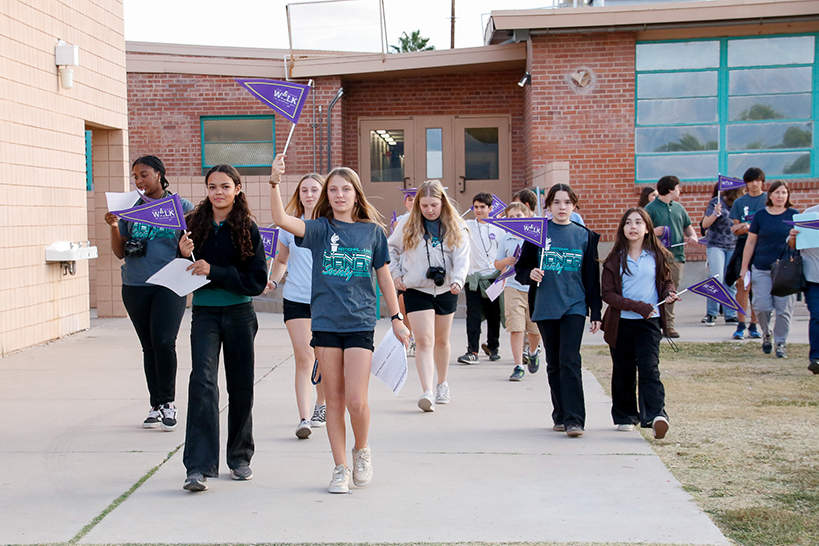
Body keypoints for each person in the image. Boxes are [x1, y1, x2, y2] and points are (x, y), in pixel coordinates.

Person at [269, 155, 410, 494]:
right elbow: (280, 219)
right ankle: (339, 467)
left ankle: (361, 450)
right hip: (326, 324)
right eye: (333, 189)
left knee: (356, 401)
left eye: (346, 189)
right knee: (333, 399)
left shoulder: (373, 232)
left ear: (356, 194)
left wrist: (397, 318)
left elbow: (385, 278)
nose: (339, 194)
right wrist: (274, 183)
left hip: (360, 322)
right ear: (326, 196)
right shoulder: (319, 229)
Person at [178, 165, 268, 492]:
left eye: (225, 186)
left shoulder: (248, 228)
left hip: (240, 313)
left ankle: (240, 457)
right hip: (204, 314)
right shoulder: (192, 226)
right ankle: (198, 467)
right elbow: (182, 272)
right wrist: (182, 253)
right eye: (212, 186)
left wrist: (214, 270)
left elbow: (256, 281)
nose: (218, 192)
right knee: (202, 383)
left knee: (241, 386)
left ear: (238, 189)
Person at [104, 155, 193, 431]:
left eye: (144, 174)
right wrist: (112, 227)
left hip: (169, 284)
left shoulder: (180, 206)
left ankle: (168, 403)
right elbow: (120, 252)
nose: (139, 180)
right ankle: (155, 405)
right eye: (135, 176)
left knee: (164, 341)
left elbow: (190, 245)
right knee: (149, 346)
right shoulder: (128, 207)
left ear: (159, 174)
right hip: (135, 285)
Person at [515, 184, 601, 437]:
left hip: (574, 305)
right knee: (554, 363)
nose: (562, 207)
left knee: (570, 360)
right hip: (545, 305)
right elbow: (520, 269)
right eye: (556, 202)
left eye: (566, 202)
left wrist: (595, 312)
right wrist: (529, 273)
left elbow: (591, 279)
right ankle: (560, 415)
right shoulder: (537, 234)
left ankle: (575, 419)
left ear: (574, 205)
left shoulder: (585, 236)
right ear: (548, 206)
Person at [388, 180, 470, 411]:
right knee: (424, 340)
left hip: (446, 289)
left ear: (442, 203)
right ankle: (428, 391)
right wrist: (397, 276)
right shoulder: (407, 223)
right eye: (424, 206)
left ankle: (442, 383)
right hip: (416, 288)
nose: (429, 210)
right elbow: (391, 249)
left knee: (441, 340)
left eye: (434, 205)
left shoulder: (456, 225)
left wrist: (458, 280)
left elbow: (463, 257)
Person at [601, 208, 678, 439]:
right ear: (622, 229)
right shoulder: (614, 260)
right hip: (621, 323)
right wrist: (639, 306)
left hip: (649, 324)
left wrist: (670, 293)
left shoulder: (657, 255)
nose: (633, 227)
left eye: (638, 222)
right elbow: (608, 294)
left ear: (647, 228)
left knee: (649, 369)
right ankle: (625, 416)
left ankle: (656, 416)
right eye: (628, 223)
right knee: (623, 370)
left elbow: (666, 282)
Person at [269, 173, 327, 439]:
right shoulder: (289, 225)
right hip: (296, 300)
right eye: (304, 190)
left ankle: (321, 405)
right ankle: (304, 417)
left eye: (315, 189)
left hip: (327, 302)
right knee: (305, 357)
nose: (309, 194)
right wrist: (273, 281)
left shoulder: (332, 225)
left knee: (324, 359)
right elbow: (282, 260)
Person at [739, 180, 799, 358]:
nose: (780, 196)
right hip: (762, 267)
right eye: (777, 193)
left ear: (788, 195)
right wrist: (744, 268)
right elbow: (750, 242)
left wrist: (793, 238)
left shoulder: (794, 215)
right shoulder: (760, 216)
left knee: (784, 309)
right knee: (761, 306)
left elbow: (797, 245)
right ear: (770, 195)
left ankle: (780, 343)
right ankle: (766, 333)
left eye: (783, 193)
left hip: (786, 269)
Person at [644, 175, 699, 338]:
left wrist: (693, 237)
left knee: (672, 292)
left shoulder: (679, 208)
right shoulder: (650, 209)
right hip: (656, 257)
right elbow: (640, 233)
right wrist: (654, 232)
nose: (680, 190)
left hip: (677, 256)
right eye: (678, 187)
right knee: (655, 290)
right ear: (669, 189)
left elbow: (688, 227)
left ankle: (669, 325)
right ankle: (652, 323)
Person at [494, 202, 542, 381]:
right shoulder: (506, 238)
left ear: (527, 216)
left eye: (519, 216)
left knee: (534, 329)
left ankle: (532, 351)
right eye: (511, 217)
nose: (515, 220)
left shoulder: (534, 237)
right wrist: (506, 260)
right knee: (516, 327)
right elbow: (497, 264)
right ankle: (518, 365)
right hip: (513, 286)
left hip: (533, 288)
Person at [458, 193, 503, 364]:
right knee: (473, 315)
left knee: (494, 314)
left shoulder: (499, 228)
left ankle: (493, 347)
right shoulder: (467, 226)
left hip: (493, 277)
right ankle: (472, 350)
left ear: (490, 209)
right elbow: (453, 222)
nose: (478, 210)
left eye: (482, 207)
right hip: (474, 278)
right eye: (476, 207)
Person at [728, 168, 767, 340]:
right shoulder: (739, 202)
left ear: (762, 181)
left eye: (758, 180)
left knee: (758, 287)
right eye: (751, 180)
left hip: (762, 246)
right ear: (746, 183)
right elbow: (735, 229)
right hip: (744, 245)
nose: (754, 184)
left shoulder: (768, 200)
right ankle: (740, 323)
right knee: (742, 284)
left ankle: (754, 325)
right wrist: (742, 228)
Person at [700, 182, 744, 326]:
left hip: (733, 245)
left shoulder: (740, 204)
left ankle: (730, 314)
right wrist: (714, 213)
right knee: (716, 278)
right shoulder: (716, 202)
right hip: (716, 245)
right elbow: (704, 224)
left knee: (730, 280)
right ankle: (711, 313)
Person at [391, 189, 417, 357]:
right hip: (404, 269)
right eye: (409, 199)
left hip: (422, 272)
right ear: (405, 202)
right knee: (403, 304)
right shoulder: (399, 221)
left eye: (416, 198)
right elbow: (393, 245)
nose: (412, 202)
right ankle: (410, 337)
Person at [799, 202, 819, 374]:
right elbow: (795, 244)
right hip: (813, 275)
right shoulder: (809, 214)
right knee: (817, 315)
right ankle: (816, 358)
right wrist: (793, 237)